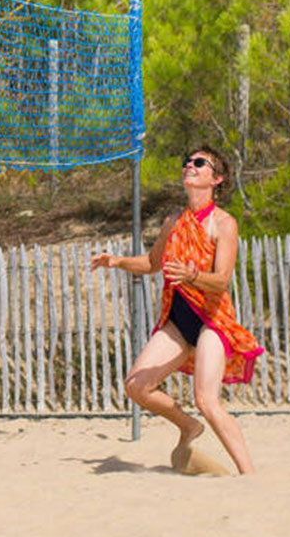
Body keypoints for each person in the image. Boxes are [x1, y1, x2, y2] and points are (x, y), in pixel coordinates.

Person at [91, 145, 264, 475]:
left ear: (217, 179)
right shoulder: (174, 220)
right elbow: (153, 263)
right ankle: (188, 427)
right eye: (187, 162)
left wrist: (193, 275)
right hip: (177, 319)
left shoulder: (223, 223)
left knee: (207, 401)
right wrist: (117, 261)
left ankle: (249, 476)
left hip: (211, 320)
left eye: (200, 163)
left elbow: (222, 280)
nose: (190, 166)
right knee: (136, 386)